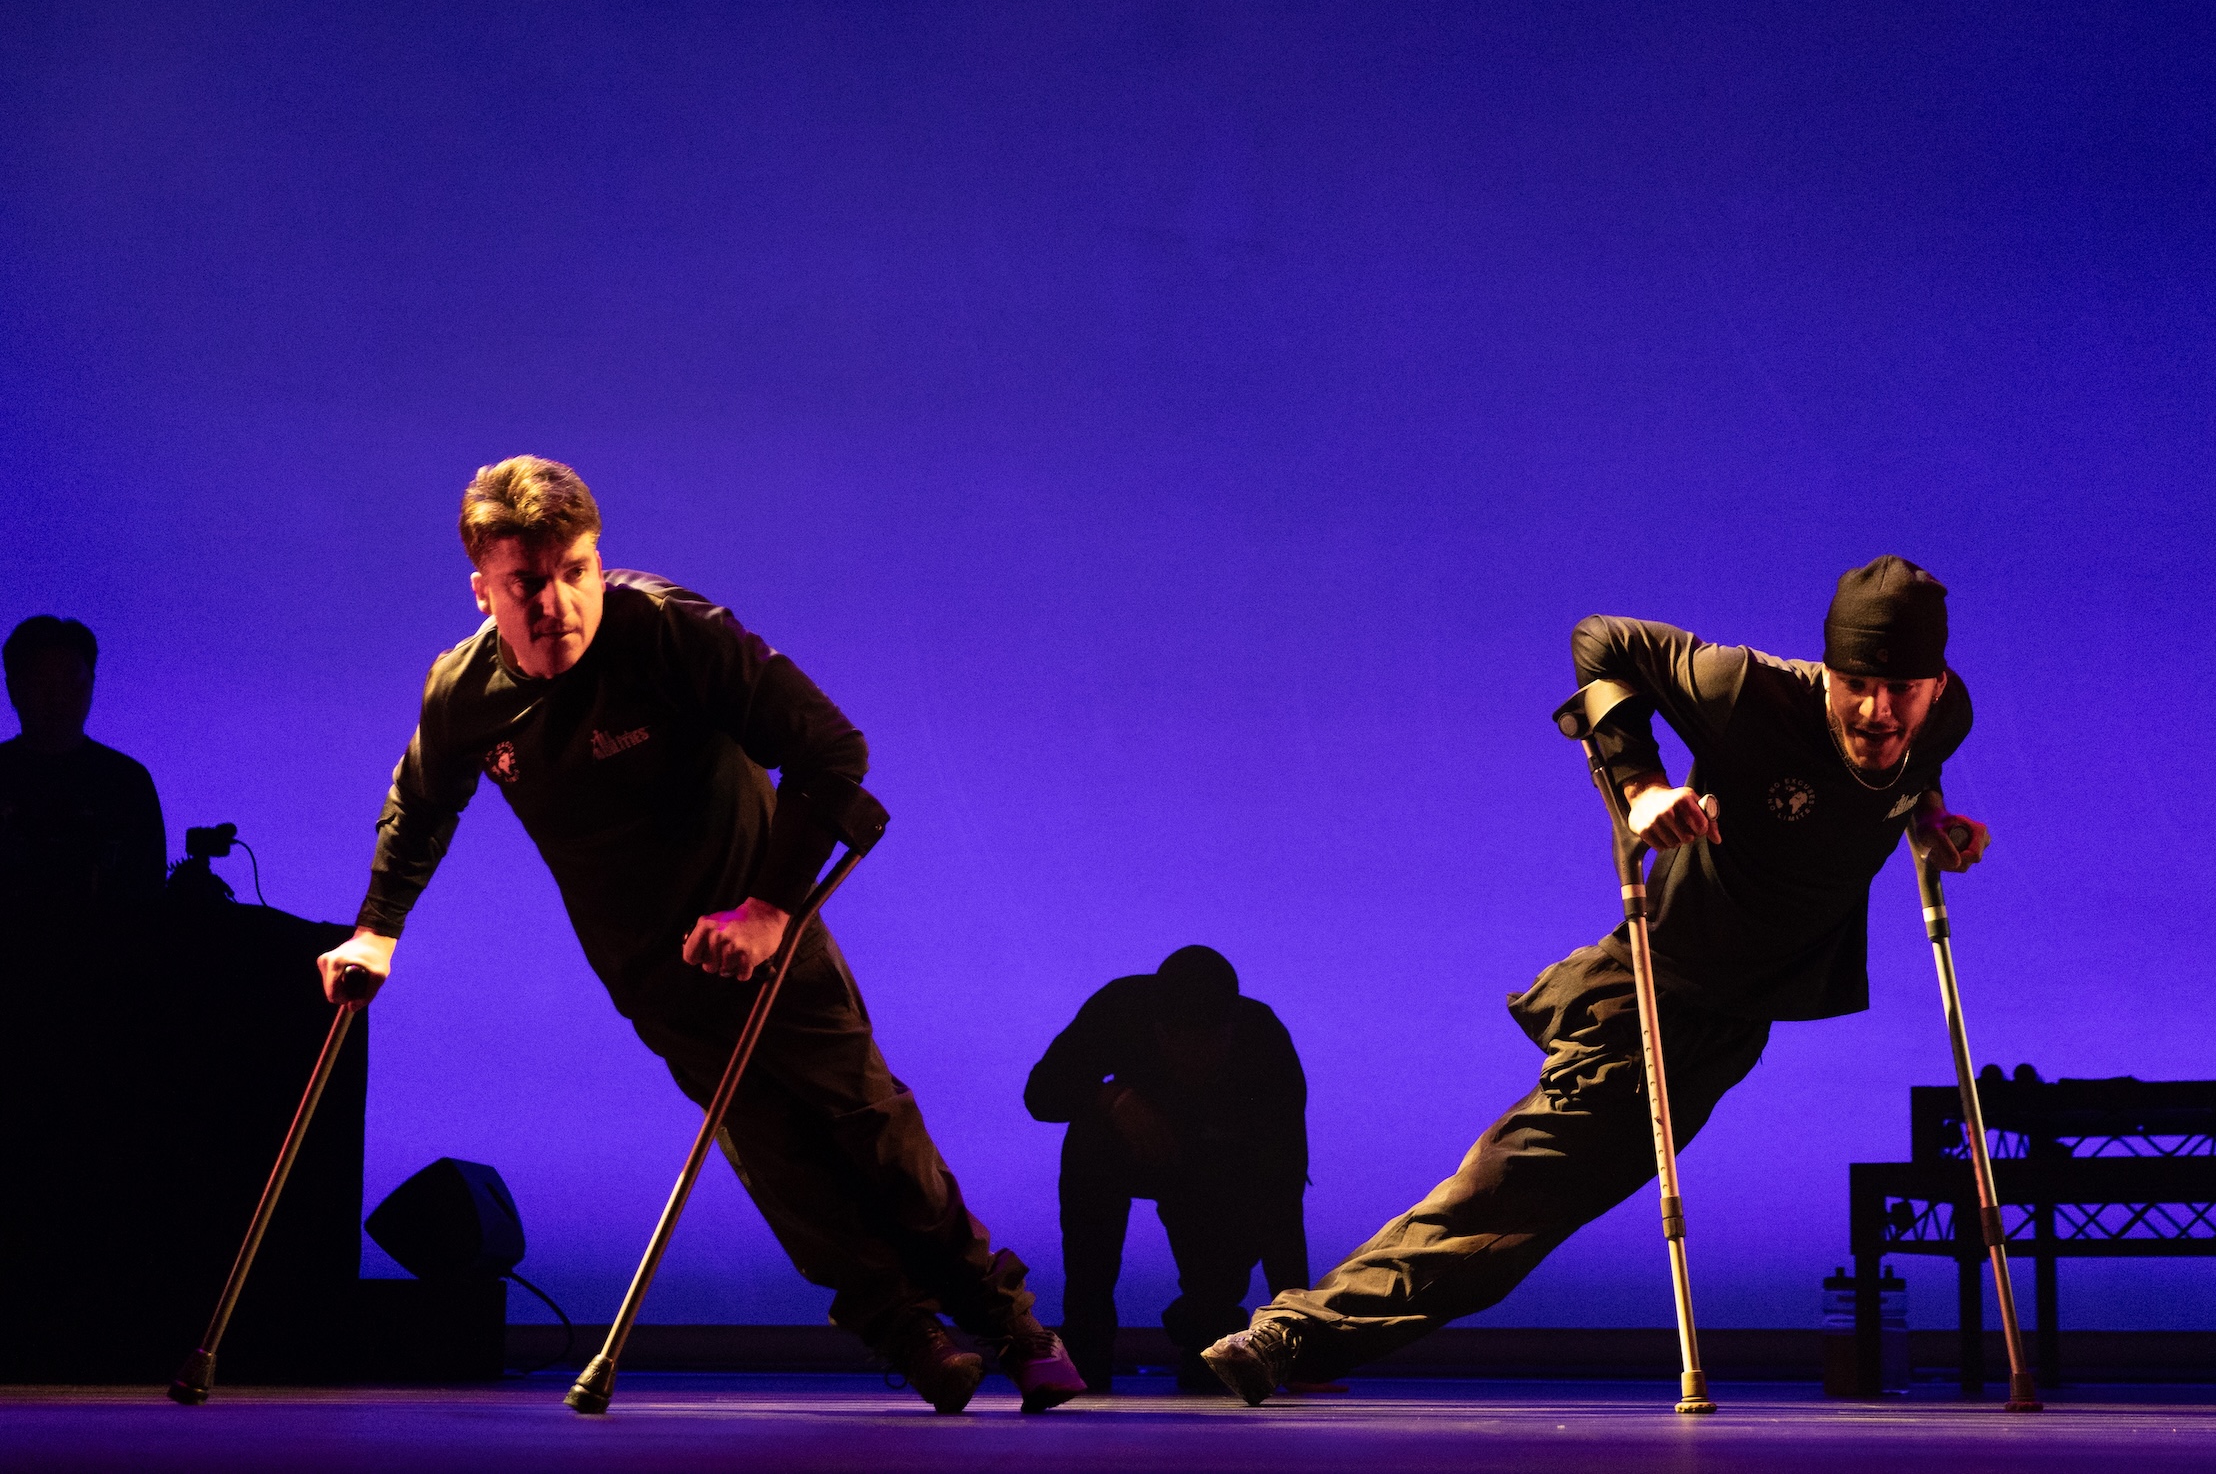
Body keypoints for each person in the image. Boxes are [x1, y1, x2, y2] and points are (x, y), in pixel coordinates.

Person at [314, 456, 1084, 1414]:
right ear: (484, 591)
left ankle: (1006, 1319)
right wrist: (377, 931)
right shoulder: (463, 692)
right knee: (773, 1153)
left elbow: (831, 750)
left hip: (766, 932)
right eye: (526, 583)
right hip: (647, 965)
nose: (556, 602)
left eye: (575, 572)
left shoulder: (669, 631)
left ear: (599, 564)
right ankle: (908, 1332)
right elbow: (419, 804)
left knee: (868, 1126)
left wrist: (765, 910)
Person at [1200, 555, 1989, 1402]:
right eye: (1854, 683)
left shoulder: (1945, 720)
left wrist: (1932, 821)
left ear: (1936, 685)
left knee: (1524, 1216)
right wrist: (1642, 782)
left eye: (1900, 688)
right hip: (1652, 991)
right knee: (1516, 1196)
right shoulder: (1744, 691)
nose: (1876, 710)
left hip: (1735, 1023)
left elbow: (1910, 775)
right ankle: (1289, 1333)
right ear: (1827, 669)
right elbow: (1600, 641)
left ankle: (1315, 1343)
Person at [1024, 946, 1310, 1393]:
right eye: (1183, 1042)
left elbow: (1282, 1189)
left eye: (1211, 1041)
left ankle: (1205, 1326)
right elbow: (1041, 1093)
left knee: (1213, 1322)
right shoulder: (1118, 1011)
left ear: (1232, 1030)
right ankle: (1087, 1336)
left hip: (1209, 1171)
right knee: (1089, 1142)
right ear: (1158, 1031)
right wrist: (1114, 1100)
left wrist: (1298, 1341)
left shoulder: (1265, 1046)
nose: (1197, 1059)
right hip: (1116, 1156)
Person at [0, 616, 165, 919]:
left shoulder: (127, 783)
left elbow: (147, 899)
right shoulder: (125, 780)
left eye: (71, 682)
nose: (57, 698)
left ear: (91, 684)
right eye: (41, 683)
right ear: (13, 689)